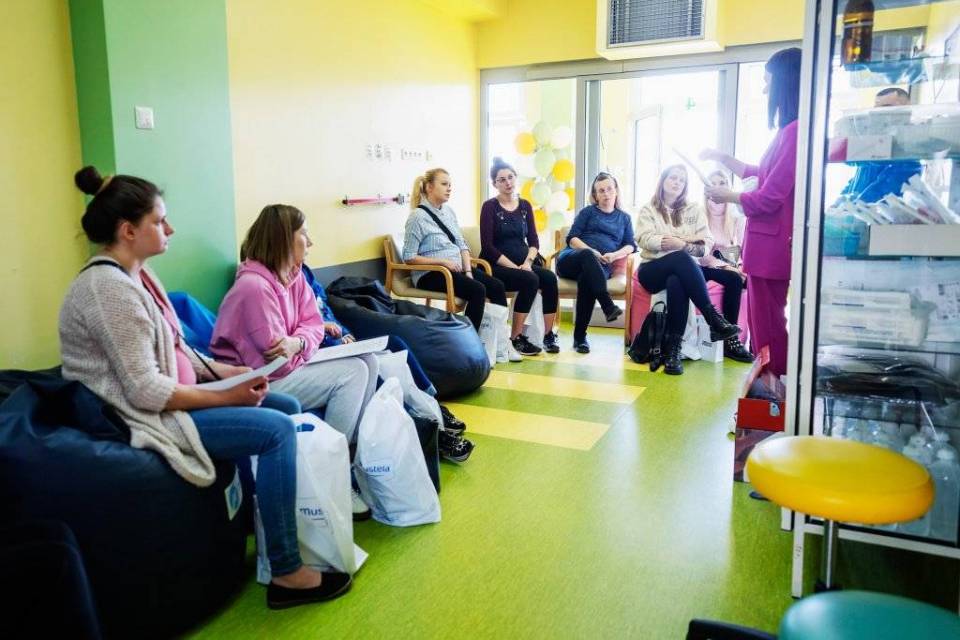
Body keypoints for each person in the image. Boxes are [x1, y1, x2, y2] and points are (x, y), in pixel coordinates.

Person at [60, 166, 351, 609]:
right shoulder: (107, 290)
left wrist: (235, 375)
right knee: (276, 431)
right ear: (128, 230)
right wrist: (229, 395)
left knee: (286, 404)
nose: (170, 228)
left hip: (174, 401)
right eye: (159, 221)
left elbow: (184, 354)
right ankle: (286, 571)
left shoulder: (140, 277)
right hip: (142, 418)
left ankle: (266, 520)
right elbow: (144, 391)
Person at [211, 205, 474, 463]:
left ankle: (356, 449)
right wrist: (305, 342)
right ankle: (333, 458)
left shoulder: (295, 277)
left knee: (369, 360)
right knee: (353, 372)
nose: (310, 242)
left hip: (292, 363)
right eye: (304, 234)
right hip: (262, 378)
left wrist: (300, 342)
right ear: (283, 239)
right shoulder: (255, 287)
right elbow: (279, 358)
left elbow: (313, 323)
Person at [702, 46, 802, 378]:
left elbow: (769, 197)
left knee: (769, 324)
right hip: (764, 247)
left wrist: (727, 195)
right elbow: (761, 172)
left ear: (784, 82)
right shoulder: (787, 132)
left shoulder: (795, 132)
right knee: (763, 323)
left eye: (768, 81)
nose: (764, 88)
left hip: (772, 249)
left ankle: (775, 387)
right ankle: (767, 385)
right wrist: (722, 157)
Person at [300, 264, 470, 442]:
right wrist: (335, 340)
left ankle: (432, 404)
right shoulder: (287, 284)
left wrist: (345, 333)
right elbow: (302, 328)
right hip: (321, 347)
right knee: (371, 366)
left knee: (395, 342)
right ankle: (422, 428)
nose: (308, 248)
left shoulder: (305, 273)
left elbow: (326, 312)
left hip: (336, 340)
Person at [634, 165, 744, 375]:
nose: (677, 182)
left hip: (680, 270)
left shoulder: (693, 209)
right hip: (652, 269)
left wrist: (680, 243)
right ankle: (713, 319)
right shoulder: (649, 209)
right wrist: (683, 242)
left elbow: (706, 244)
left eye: (682, 180)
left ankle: (673, 350)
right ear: (663, 180)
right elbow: (644, 238)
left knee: (677, 279)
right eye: (673, 178)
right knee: (682, 257)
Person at [402, 168, 521, 361]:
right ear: (429, 187)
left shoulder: (448, 212)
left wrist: (468, 271)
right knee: (477, 290)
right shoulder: (417, 217)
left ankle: (501, 343)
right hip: (431, 273)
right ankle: (469, 345)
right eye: (444, 184)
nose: (449, 188)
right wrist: (442, 261)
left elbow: (462, 244)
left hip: (457, 268)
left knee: (497, 286)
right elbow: (409, 257)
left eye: (450, 184)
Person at [480, 157, 560, 354]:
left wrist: (528, 262)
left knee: (549, 278)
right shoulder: (489, 207)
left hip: (523, 264)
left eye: (510, 177)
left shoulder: (525, 205)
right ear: (495, 184)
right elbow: (488, 247)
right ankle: (515, 338)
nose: (507, 182)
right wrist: (515, 268)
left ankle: (548, 335)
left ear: (515, 178)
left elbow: (534, 241)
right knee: (530, 279)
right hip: (495, 266)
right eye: (502, 180)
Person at [555, 172, 636, 354]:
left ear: (616, 191)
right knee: (587, 255)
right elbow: (572, 238)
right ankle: (607, 305)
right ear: (595, 195)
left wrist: (614, 255)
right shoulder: (588, 212)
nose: (606, 194)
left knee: (587, 279)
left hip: (601, 267)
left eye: (609, 189)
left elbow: (631, 245)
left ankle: (579, 338)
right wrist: (591, 251)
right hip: (572, 259)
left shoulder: (624, 218)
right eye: (601, 191)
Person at [699, 169, 754, 363]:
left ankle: (756, 339)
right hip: (703, 264)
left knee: (752, 282)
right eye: (712, 183)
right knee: (733, 279)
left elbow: (739, 250)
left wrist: (739, 268)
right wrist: (729, 268)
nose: (717, 187)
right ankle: (731, 341)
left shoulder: (737, 218)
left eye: (722, 183)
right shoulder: (700, 215)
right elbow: (703, 256)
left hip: (729, 261)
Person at [839, 87, 922, 203]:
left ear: (907, 112)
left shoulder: (908, 157)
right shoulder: (875, 148)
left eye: (887, 108)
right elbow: (857, 182)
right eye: (876, 109)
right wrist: (841, 201)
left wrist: (853, 205)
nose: (878, 115)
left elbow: (877, 197)